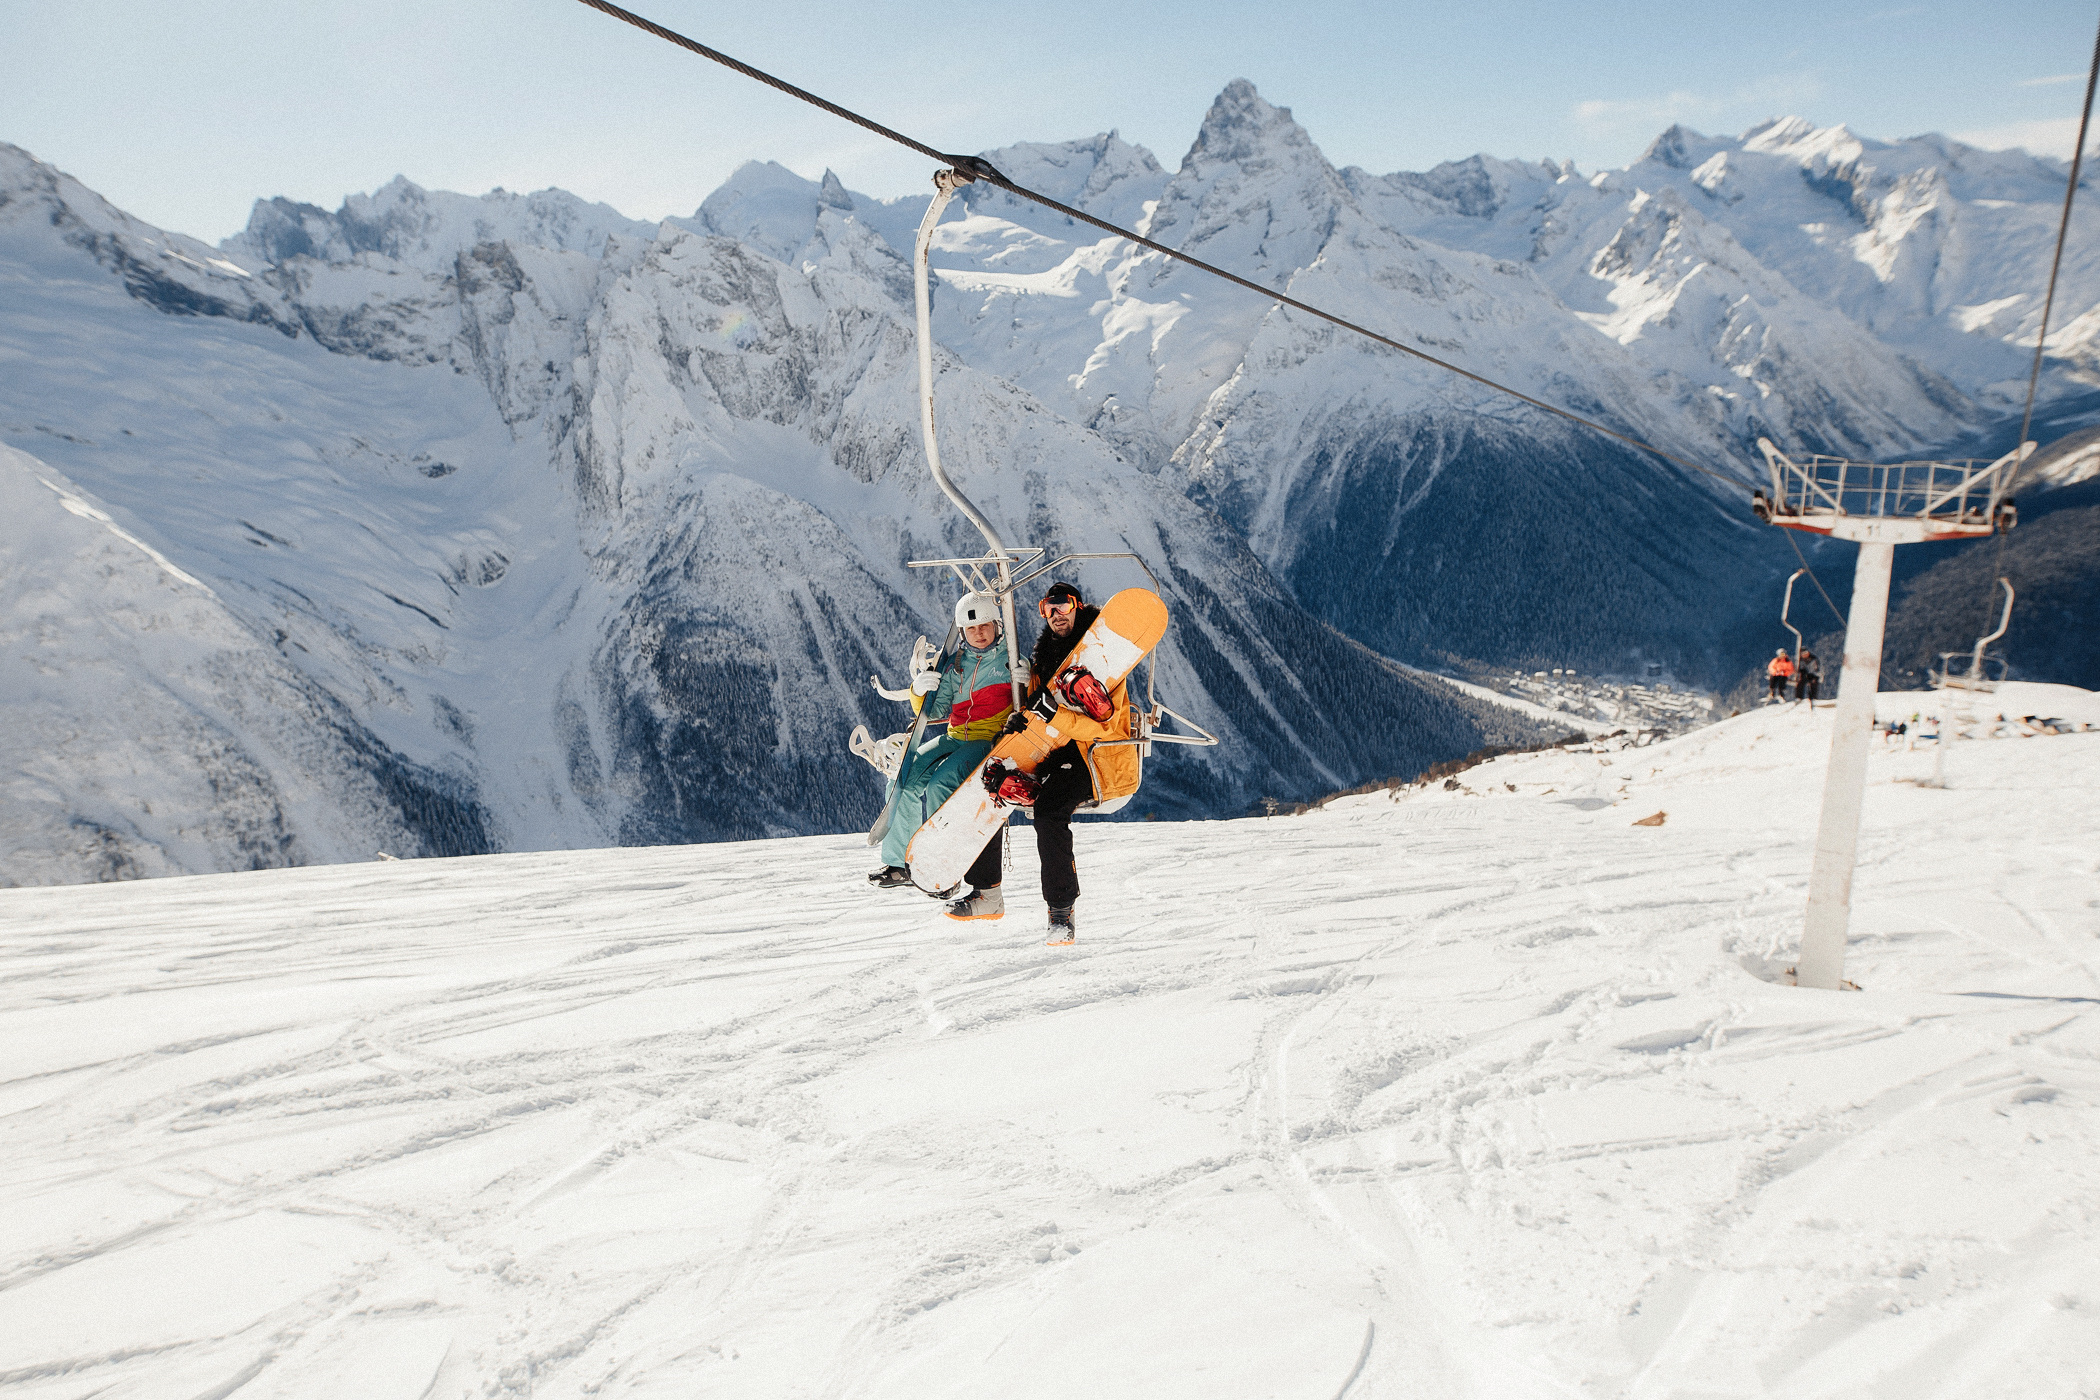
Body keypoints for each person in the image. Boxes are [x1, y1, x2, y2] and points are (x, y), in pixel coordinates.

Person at [944, 582, 1141, 943]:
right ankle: (987, 892)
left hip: (1091, 759)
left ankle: (1061, 912)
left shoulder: (1103, 658)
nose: (1055, 615)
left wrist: (1055, 715)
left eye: (1063, 606)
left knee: (1049, 812)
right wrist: (1017, 720)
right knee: (993, 783)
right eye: (1048, 608)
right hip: (1049, 751)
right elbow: (1037, 711)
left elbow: (1106, 727)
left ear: (1078, 607)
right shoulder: (1046, 658)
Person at [866, 593, 1013, 888]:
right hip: (955, 736)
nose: (979, 633)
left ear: (997, 626)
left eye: (984, 625)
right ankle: (900, 863)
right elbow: (934, 711)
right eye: (971, 629)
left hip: (988, 740)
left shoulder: (1011, 660)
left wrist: (1028, 680)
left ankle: (945, 867)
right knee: (902, 780)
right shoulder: (956, 665)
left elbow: (1032, 703)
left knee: (941, 786)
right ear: (962, 632)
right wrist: (918, 691)